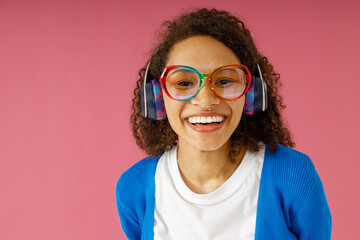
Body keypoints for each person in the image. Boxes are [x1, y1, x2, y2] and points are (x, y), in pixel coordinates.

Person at [116, 8, 332, 240]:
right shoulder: (133, 188)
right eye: (184, 82)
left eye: (224, 80)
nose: (206, 100)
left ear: (252, 95)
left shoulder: (294, 176)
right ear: (156, 97)